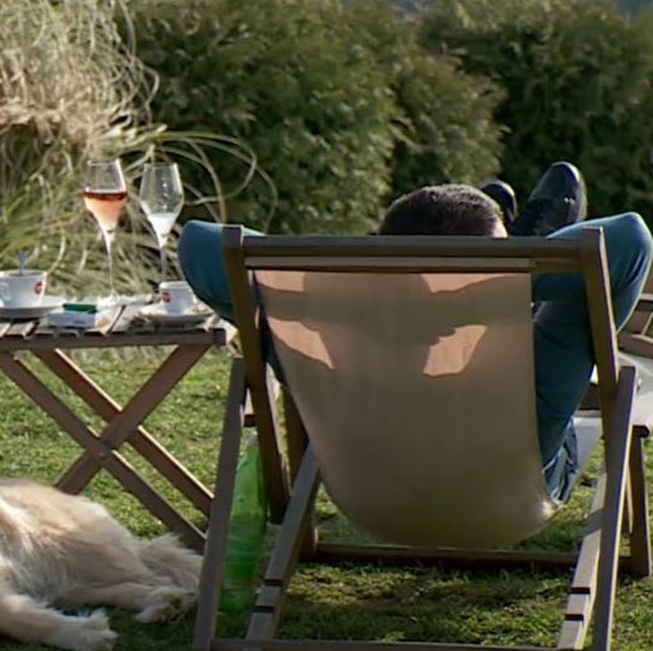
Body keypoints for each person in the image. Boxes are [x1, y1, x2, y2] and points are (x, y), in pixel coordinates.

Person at [175, 162, 652, 501]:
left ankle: (517, 246)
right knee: (568, 302)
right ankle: (529, 248)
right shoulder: (534, 397)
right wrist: (492, 286)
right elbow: (630, 239)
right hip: (513, 492)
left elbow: (199, 245)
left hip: (371, 494)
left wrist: (381, 290)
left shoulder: (326, 352)